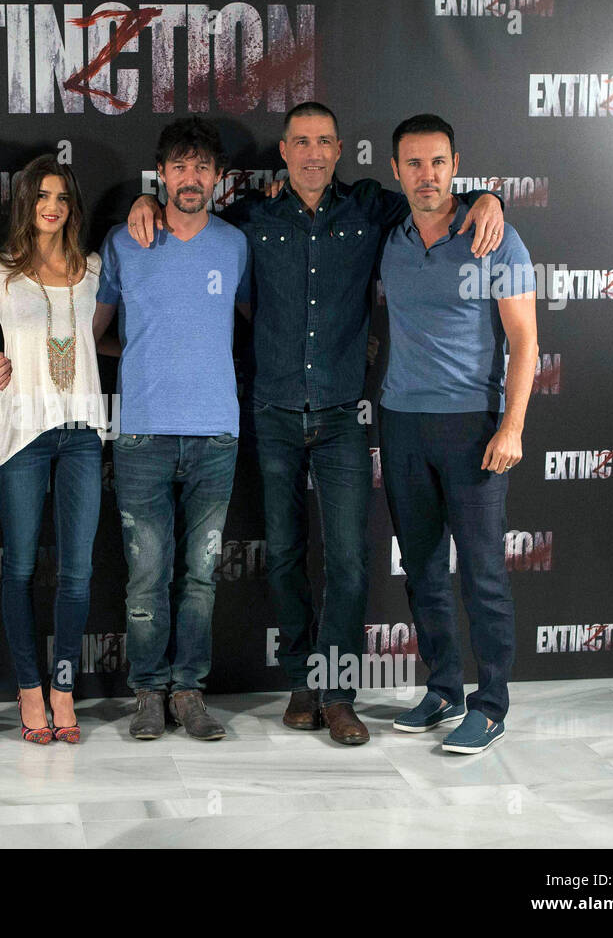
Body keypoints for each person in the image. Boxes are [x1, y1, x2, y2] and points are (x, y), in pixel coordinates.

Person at [127, 102, 505, 745]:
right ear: (284, 151)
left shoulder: (370, 210)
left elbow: (433, 196)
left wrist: (489, 197)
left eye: (323, 143)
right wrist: (140, 204)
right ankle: (304, 680)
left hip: (341, 417)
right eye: (300, 142)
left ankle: (337, 694)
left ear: (338, 151)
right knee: (283, 558)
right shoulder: (250, 217)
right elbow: (186, 221)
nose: (311, 154)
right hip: (271, 414)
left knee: (350, 563)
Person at [379, 114, 537, 753]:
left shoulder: (495, 236)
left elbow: (526, 342)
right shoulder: (386, 235)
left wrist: (513, 426)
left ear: (456, 164)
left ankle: (491, 703)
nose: (427, 175)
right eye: (413, 163)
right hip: (400, 421)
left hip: (472, 426)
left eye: (438, 162)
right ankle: (443, 688)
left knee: (481, 571)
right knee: (421, 570)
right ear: (396, 171)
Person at [96, 117, 250, 741]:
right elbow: (97, 331)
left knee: (201, 576)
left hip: (217, 433)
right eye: (180, 166)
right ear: (160, 173)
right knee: (146, 574)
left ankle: (189, 691)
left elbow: (256, 327)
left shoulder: (236, 245)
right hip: (142, 433)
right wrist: (143, 354)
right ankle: (147, 693)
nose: (192, 178)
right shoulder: (123, 241)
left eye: (203, 167)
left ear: (218, 177)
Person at [0, 156, 109, 744]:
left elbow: (99, 337)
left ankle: (63, 689)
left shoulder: (94, 270)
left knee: (77, 573)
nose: (52, 206)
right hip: (22, 431)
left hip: (81, 430)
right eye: (41, 196)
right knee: (23, 568)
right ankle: (28, 689)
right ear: (26, 203)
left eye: (61, 196)